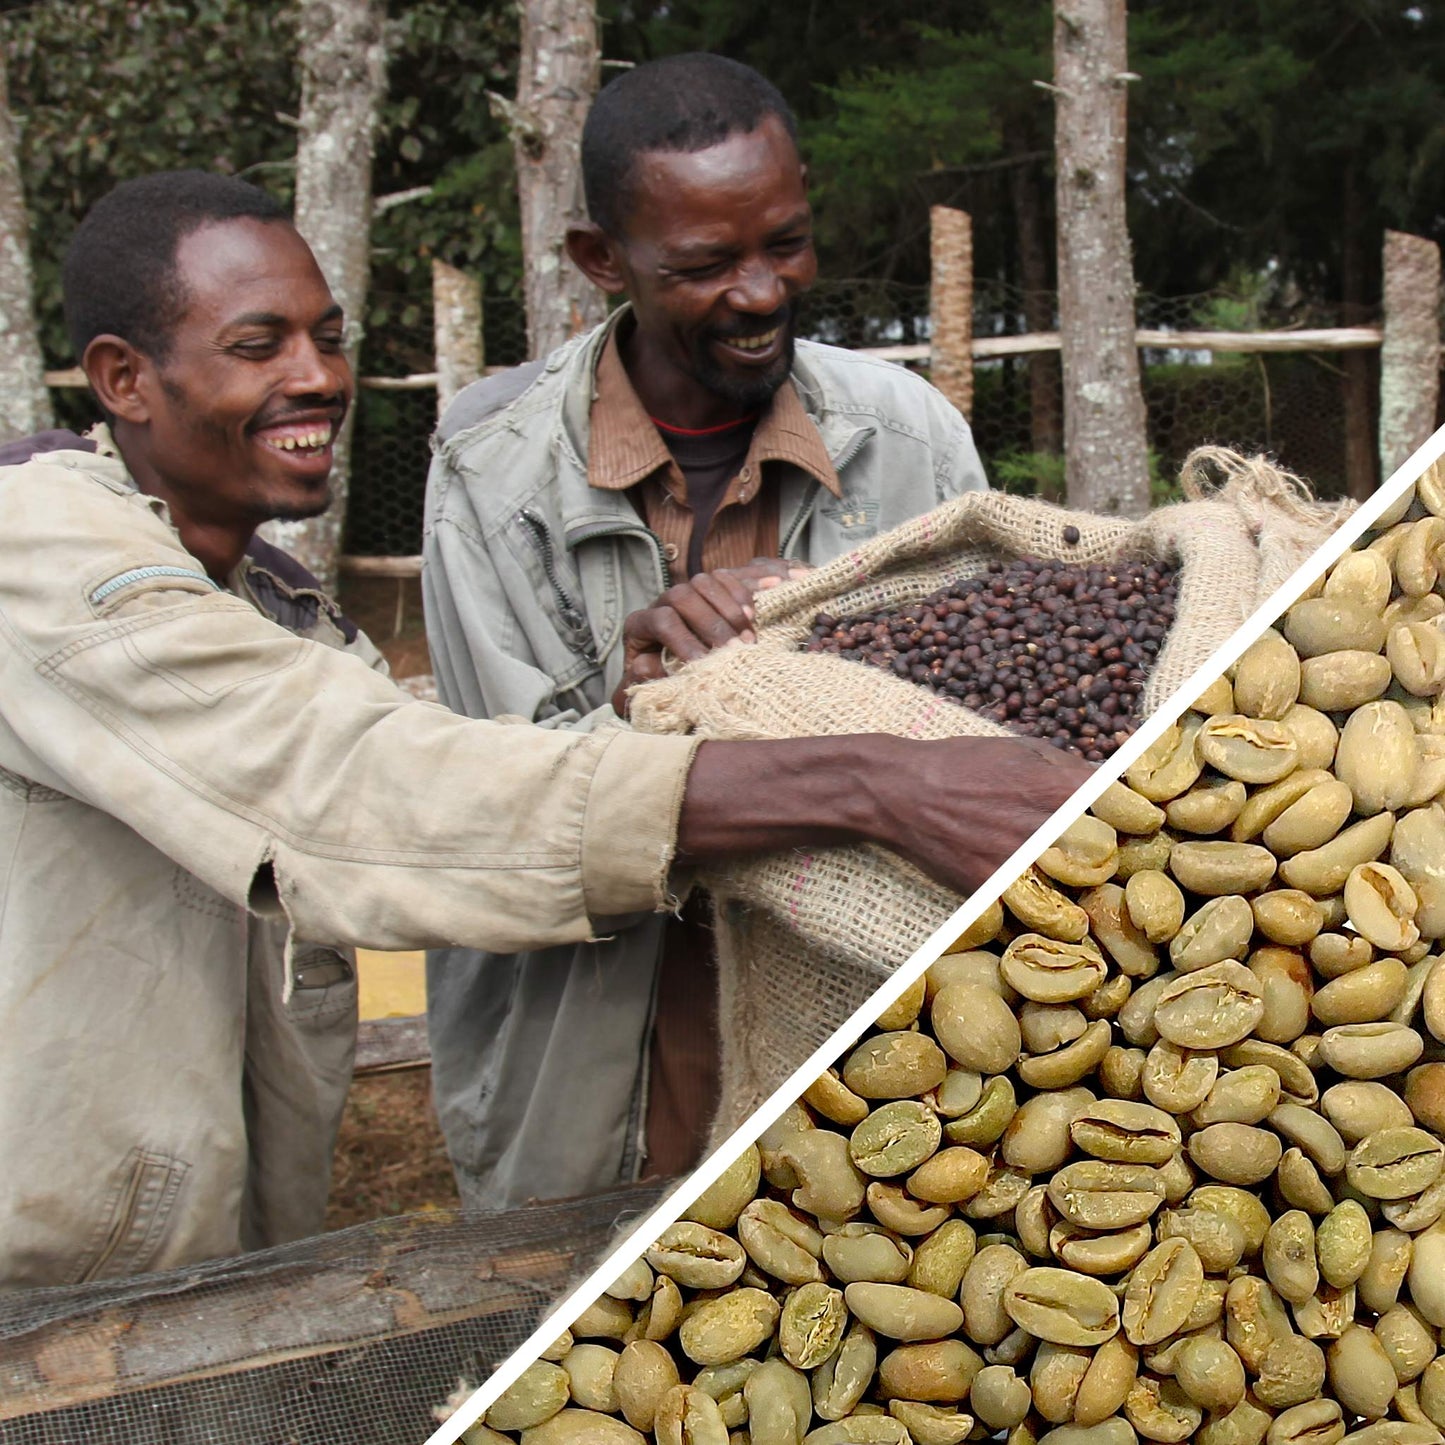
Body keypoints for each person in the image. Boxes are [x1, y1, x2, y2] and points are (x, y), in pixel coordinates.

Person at [0, 170, 1086, 1289]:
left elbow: (401, 738)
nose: (318, 377)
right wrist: (874, 785)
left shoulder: (276, 607)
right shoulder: (39, 549)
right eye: (256, 344)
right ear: (124, 378)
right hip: (40, 1278)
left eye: (327, 336)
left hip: (181, 1268)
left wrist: (633, 703)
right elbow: (349, 784)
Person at [422, 54, 1017, 1211]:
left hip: (864, 1062)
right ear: (603, 261)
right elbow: (498, 804)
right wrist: (638, 695)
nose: (758, 292)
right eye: (702, 264)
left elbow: (995, 738)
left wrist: (828, 648)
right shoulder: (492, 476)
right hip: (597, 1071)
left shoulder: (909, 440)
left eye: (784, 243)